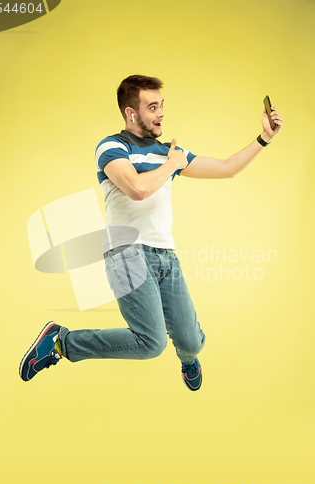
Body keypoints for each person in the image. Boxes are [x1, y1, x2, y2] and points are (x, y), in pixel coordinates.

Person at [19, 75, 284, 390]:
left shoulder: (169, 153)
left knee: (191, 341)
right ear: (132, 113)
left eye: (161, 106)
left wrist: (264, 138)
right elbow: (137, 189)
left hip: (165, 255)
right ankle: (61, 342)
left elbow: (227, 168)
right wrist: (172, 165)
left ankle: (189, 358)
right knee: (151, 343)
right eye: (152, 107)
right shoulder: (113, 146)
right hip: (125, 253)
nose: (160, 114)